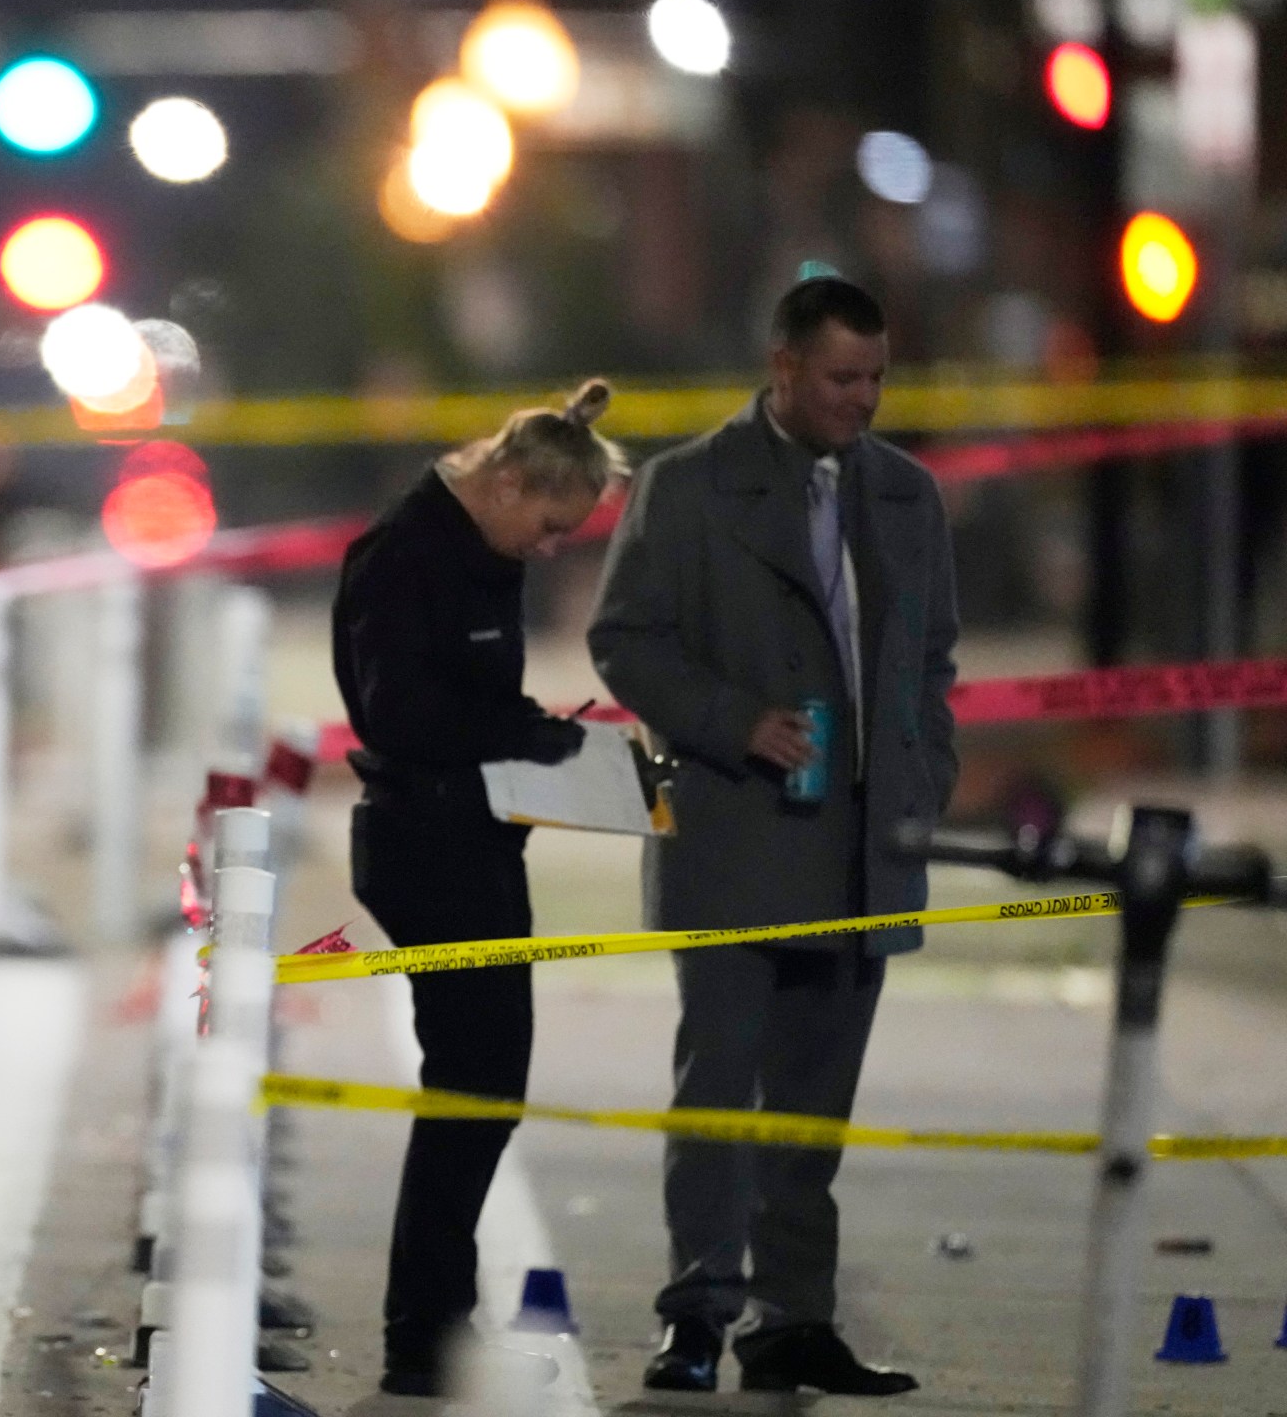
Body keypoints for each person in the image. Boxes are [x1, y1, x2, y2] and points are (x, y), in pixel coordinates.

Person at [587, 276, 957, 1396]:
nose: (865, 399)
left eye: (878, 378)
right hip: (735, 842)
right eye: (844, 377)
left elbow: (931, 657)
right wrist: (731, 722)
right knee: (719, 1096)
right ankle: (696, 1314)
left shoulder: (904, 494)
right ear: (783, 367)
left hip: (861, 847)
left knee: (811, 1110)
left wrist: (921, 773)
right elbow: (625, 641)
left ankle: (794, 1322)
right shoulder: (687, 488)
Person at [332, 380, 627, 1397]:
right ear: (504, 482)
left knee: (485, 1088)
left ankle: (433, 1323)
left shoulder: (479, 550)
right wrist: (528, 733)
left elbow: (468, 702)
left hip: (476, 839)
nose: (550, 548)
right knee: (472, 1085)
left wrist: (534, 737)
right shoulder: (404, 557)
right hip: (423, 845)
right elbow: (399, 715)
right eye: (548, 527)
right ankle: (421, 1334)